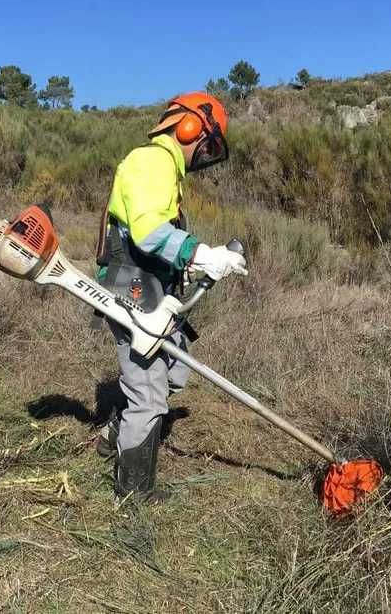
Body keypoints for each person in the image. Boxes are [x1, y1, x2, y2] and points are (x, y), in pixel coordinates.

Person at [95, 92, 247, 503]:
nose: (206, 153)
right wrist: (201, 253)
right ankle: (134, 492)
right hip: (129, 282)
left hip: (149, 284)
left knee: (175, 368)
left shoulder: (167, 170)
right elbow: (146, 233)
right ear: (190, 127)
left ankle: (115, 434)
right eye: (208, 143)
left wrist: (196, 264)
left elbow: (157, 239)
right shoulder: (153, 161)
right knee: (149, 390)